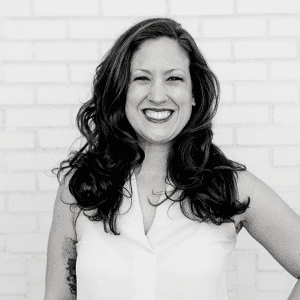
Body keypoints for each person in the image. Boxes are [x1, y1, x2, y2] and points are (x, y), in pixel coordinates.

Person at [44, 18, 300, 300]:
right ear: (121, 91)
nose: (157, 95)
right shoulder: (79, 188)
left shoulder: (231, 186)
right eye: (141, 78)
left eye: (174, 78)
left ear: (193, 94)